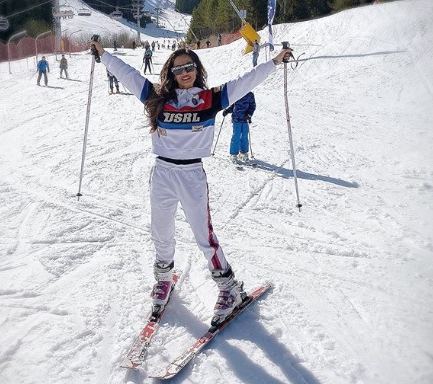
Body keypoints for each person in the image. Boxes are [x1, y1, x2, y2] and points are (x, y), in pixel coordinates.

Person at [93, 39, 291, 324]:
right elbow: (129, 75)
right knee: (161, 230)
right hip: (162, 173)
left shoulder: (212, 98)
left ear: (197, 69)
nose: (184, 72)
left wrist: (274, 62)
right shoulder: (158, 98)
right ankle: (163, 279)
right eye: (178, 69)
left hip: (191, 175)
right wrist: (104, 55)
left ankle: (228, 287)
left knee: (203, 234)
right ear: (171, 73)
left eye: (189, 67)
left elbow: (247, 81)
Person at [223, 91, 256, 163]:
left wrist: (249, 114)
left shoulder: (249, 94)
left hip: (245, 119)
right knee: (236, 136)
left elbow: (252, 106)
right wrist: (227, 111)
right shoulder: (237, 92)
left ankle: (243, 153)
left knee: (244, 136)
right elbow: (233, 105)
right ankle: (233, 154)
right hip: (236, 118)